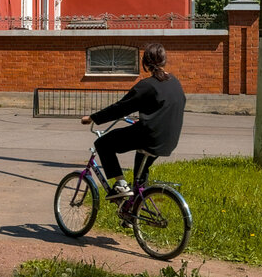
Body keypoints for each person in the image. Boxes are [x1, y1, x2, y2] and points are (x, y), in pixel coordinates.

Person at [80, 43, 186, 200]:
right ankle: (135, 210)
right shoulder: (174, 82)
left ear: (144, 63)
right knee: (140, 174)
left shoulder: (147, 85)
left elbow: (120, 108)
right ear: (164, 60)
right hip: (168, 139)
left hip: (150, 136)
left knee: (103, 143)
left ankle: (121, 185)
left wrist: (93, 118)